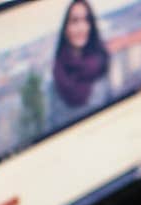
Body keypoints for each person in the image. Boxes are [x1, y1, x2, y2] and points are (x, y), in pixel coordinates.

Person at [47, 0, 111, 129]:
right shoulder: (56, 77)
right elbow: (52, 124)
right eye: (75, 21)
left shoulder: (101, 63)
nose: (81, 27)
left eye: (86, 20)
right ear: (66, 28)